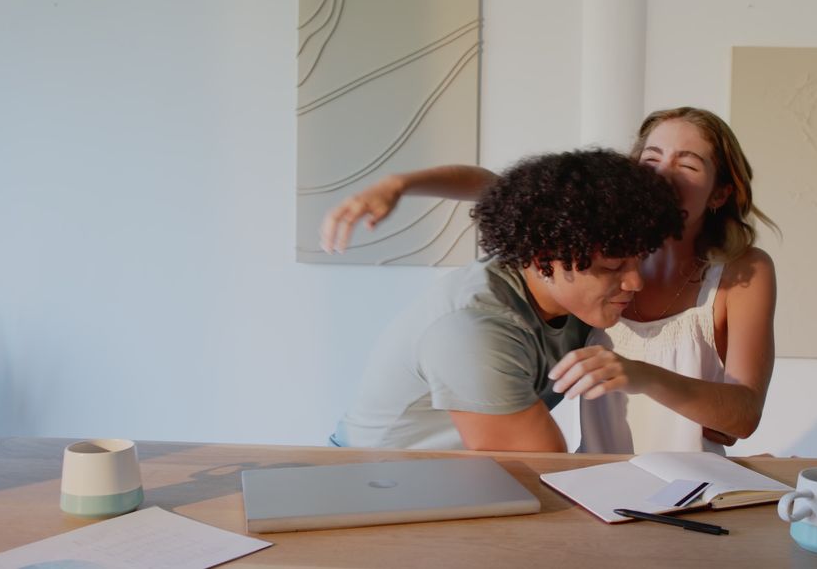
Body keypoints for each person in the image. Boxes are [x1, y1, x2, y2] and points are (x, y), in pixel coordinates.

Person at [321, 107, 779, 455]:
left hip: (514, 480)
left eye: (688, 164)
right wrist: (397, 184)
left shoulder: (605, 269)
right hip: (384, 478)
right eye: (651, 158)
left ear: (721, 190)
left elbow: (735, 418)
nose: (633, 282)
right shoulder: (486, 320)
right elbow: (545, 474)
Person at [328, 149, 684, 451]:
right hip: (370, 490)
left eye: (641, 259)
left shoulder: (554, 248)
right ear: (547, 252)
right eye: (612, 266)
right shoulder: (475, 327)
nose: (636, 281)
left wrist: (400, 184)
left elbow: (492, 185)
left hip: (451, 487)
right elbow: (541, 471)